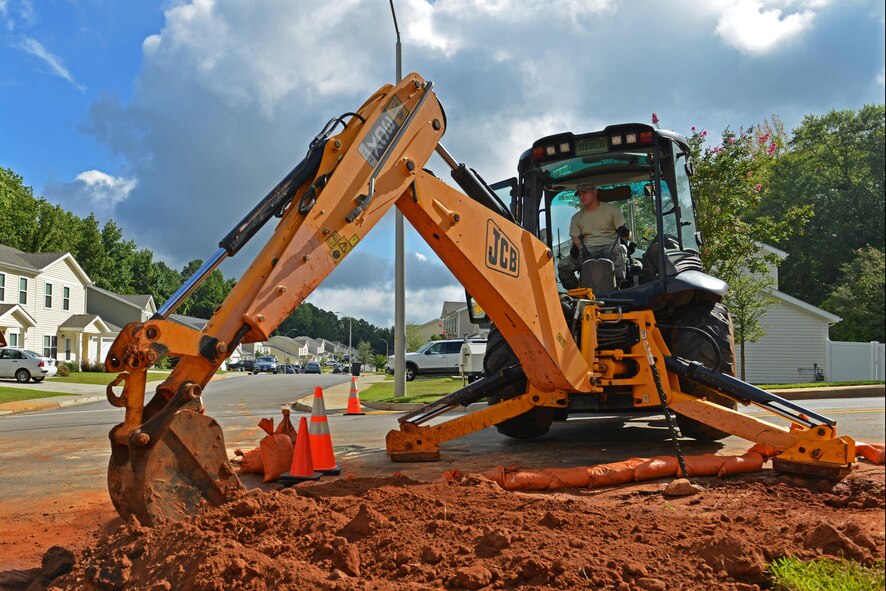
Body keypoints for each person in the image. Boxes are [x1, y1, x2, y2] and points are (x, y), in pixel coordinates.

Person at [557, 183, 631, 290]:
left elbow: (628, 236)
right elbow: (576, 242)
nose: (582, 196)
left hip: (609, 248)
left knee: (621, 250)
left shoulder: (611, 210)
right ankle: (577, 292)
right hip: (588, 251)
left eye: (585, 193)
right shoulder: (576, 218)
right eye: (580, 194)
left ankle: (616, 289)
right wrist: (575, 250)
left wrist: (626, 233)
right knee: (563, 266)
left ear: (594, 192)